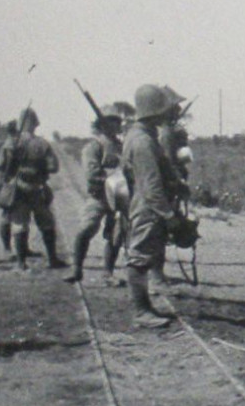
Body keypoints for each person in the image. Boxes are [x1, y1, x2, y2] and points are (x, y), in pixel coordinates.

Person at [120, 84, 180, 328]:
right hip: (148, 207)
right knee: (140, 257)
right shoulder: (143, 142)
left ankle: (144, 308)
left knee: (145, 254)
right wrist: (168, 215)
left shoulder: (143, 137)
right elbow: (151, 186)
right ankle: (141, 311)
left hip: (147, 205)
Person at [65, 108, 125, 286]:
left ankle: (108, 274)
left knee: (116, 236)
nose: (113, 125)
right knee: (87, 228)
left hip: (121, 198)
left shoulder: (122, 146)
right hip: (99, 196)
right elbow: (92, 174)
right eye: (109, 121)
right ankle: (76, 269)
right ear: (100, 125)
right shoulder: (93, 147)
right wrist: (115, 174)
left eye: (116, 121)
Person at [1, 108, 65, 271]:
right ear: (35, 124)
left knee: (19, 225)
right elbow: (53, 167)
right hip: (38, 188)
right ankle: (52, 259)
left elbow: (0, 165)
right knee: (47, 223)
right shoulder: (42, 143)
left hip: (18, 189)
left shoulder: (11, 143)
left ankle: (21, 263)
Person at [0, 120, 19, 254]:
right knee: (7, 215)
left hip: (10, 181)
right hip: (10, 182)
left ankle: (17, 248)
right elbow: (6, 165)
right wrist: (6, 182)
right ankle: (7, 247)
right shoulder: (10, 143)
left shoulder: (12, 142)